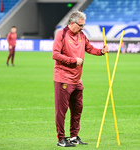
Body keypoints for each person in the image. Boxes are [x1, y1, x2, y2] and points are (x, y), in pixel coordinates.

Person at [52, 10, 109, 147]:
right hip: (63, 78)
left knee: (78, 109)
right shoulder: (61, 34)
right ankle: (61, 139)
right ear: (72, 23)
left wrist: (101, 51)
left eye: (84, 25)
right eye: (81, 25)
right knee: (62, 110)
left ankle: (73, 136)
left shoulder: (81, 35)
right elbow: (55, 55)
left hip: (77, 80)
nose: (83, 28)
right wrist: (73, 60)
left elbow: (90, 48)